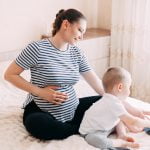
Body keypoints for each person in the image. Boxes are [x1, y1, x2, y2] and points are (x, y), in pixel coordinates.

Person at [4, 9, 104, 140]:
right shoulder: (37, 48)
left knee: (107, 102)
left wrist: (127, 109)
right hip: (41, 110)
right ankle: (83, 129)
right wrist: (40, 92)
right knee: (38, 124)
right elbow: (9, 75)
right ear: (66, 24)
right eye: (80, 30)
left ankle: (77, 128)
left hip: (73, 109)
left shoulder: (77, 52)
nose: (82, 36)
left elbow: (98, 85)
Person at [79, 67, 150, 150]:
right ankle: (121, 142)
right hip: (92, 132)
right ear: (120, 87)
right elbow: (133, 121)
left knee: (119, 117)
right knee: (98, 141)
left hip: (105, 126)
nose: (129, 91)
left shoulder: (112, 100)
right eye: (129, 87)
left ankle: (122, 135)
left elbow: (126, 117)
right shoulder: (112, 103)